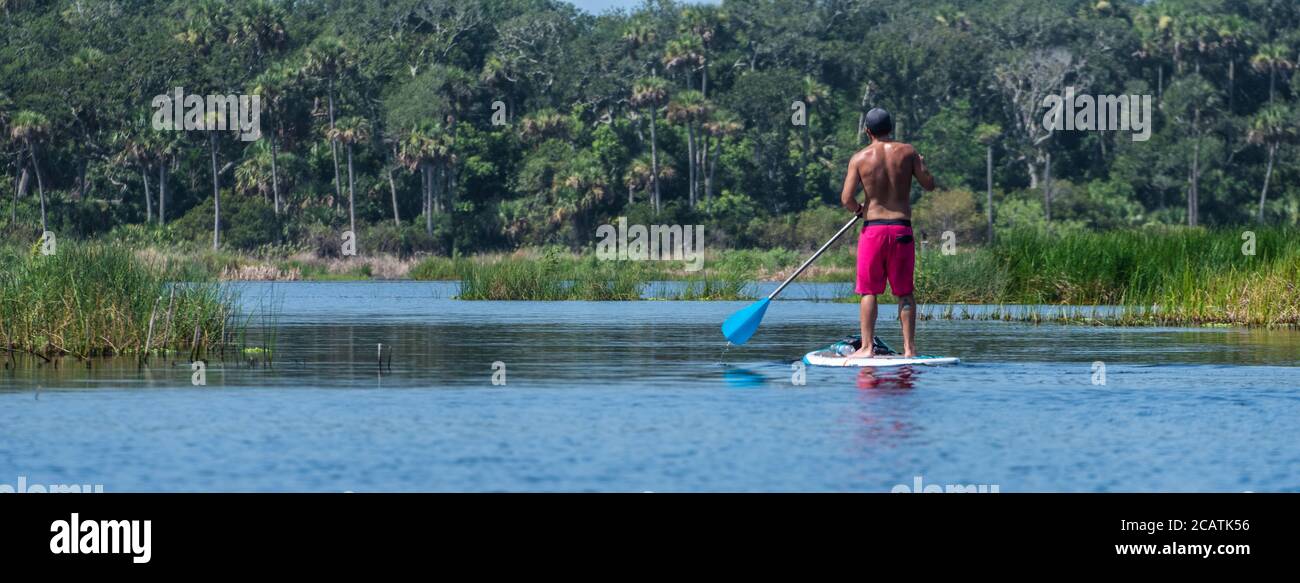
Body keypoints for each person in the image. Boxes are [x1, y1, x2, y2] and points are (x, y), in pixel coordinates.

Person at [839, 108, 935, 358]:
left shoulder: (860, 158)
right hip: (902, 229)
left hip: (874, 230)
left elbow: (847, 198)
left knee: (869, 291)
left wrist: (860, 209)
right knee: (904, 292)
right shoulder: (908, 152)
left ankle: (867, 348)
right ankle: (909, 349)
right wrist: (922, 164)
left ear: (867, 131)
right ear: (890, 128)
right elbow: (929, 185)